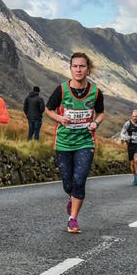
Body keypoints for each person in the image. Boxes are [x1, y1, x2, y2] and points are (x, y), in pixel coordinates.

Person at [44, 52, 105, 234]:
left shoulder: (95, 92)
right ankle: (72, 198)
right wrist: (59, 118)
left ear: (88, 68)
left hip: (85, 142)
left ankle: (73, 219)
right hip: (63, 142)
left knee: (79, 181)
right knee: (67, 184)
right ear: (70, 68)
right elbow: (48, 109)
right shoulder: (61, 90)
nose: (78, 69)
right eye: (75, 66)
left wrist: (96, 122)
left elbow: (101, 112)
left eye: (82, 66)